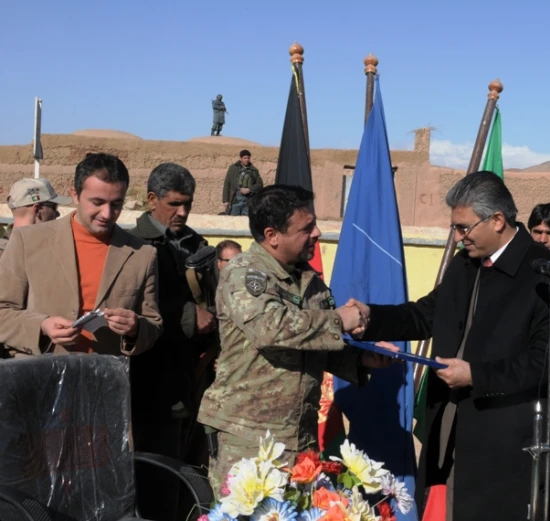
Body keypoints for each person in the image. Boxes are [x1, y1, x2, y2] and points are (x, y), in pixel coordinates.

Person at [347, 171, 550, 521]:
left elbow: (549, 362)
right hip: (452, 423)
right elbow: (427, 314)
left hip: (506, 441)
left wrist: (477, 376)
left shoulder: (547, 274)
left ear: (498, 220)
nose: (457, 237)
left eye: (463, 227)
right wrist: (370, 317)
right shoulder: (465, 263)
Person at [197, 184, 397, 496]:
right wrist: (339, 320)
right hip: (248, 438)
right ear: (272, 235)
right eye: (306, 228)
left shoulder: (310, 281)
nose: (317, 233)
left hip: (299, 435)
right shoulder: (244, 273)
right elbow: (271, 328)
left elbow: (312, 345)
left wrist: (361, 359)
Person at [0, 153, 162, 357]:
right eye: (97, 202)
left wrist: (135, 328)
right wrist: (42, 326)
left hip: (104, 382)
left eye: (116, 204)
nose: (107, 213)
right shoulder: (27, 241)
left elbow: (153, 325)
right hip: (39, 379)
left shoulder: (142, 254)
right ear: (75, 195)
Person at [128, 162, 216, 518]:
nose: (182, 212)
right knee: (158, 479)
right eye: (175, 204)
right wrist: (188, 317)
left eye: (188, 204)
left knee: (195, 476)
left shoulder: (196, 244)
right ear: (152, 199)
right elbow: (130, 304)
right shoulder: (132, 246)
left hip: (196, 378)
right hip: (154, 381)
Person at [0, 178, 70, 257]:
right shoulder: (43, 256)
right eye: (53, 207)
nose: (57, 214)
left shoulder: (6, 252)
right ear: (37, 210)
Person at [222, 150, 262, 216]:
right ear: (240, 158)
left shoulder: (254, 170)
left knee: (245, 222)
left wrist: (249, 189)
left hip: (248, 202)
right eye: (245, 158)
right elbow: (227, 183)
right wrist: (225, 200)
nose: (247, 160)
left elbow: (260, 185)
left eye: (248, 158)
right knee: (233, 221)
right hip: (235, 201)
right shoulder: (233, 168)